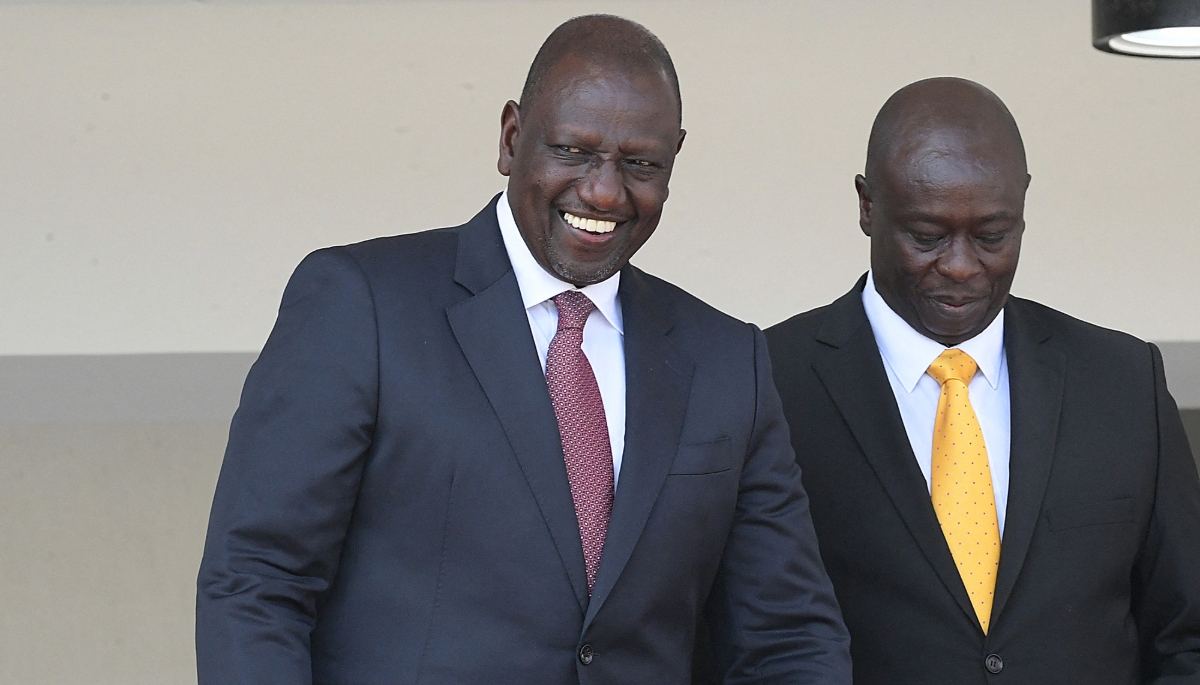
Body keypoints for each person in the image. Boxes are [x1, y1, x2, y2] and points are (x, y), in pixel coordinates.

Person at [196, 14, 850, 685]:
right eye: (572, 151)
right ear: (512, 139)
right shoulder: (361, 306)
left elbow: (787, 637)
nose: (603, 190)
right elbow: (257, 580)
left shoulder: (725, 362)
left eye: (640, 163)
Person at [765, 77, 1200, 684]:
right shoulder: (769, 382)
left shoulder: (1124, 384)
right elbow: (731, 632)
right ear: (867, 206)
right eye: (927, 237)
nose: (962, 267)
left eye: (993, 236)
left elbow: (1186, 635)